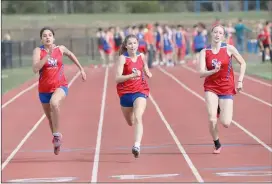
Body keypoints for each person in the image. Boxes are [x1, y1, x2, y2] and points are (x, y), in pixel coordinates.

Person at [32, 27, 87, 155]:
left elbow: (71, 54)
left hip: (60, 86)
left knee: (54, 103)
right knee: (50, 119)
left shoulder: (60, 49)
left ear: (53, 38)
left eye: (50, 35)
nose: (47, 37)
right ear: (41, 39)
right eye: (44, 35)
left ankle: (56, 134)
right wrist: (47, 56)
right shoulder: (38, 51)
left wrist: (81, 69)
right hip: (44, 90)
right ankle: (57, 139)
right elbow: (35, 69)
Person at [198, 24, 246, 154]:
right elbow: (201, 73)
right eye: (215, 32)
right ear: (211, 34)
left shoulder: (229, 49)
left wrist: (240, 81)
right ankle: (217, 143)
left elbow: (243, 63)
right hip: (211, 87)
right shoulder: (204, 52)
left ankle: (219, 108)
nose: (217, 35)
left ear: (223, 36)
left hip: (226, 87)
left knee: (226, 122)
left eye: (220, 33)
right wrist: (213, 71)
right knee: (212, 118)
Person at [115, 34, 152, 158]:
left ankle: (136, 145)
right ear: (126, 46)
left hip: (140, 91)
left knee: (138, 117)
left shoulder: (142, 56)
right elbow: (117, 78)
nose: (133, 46)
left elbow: (144, 67)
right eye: (130, 43)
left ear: (138, 44)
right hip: (125, 93)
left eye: (135, 43)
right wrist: (131, 75)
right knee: (130, 122)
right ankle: (136, 142)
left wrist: (148, 72)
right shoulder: (122, 58)